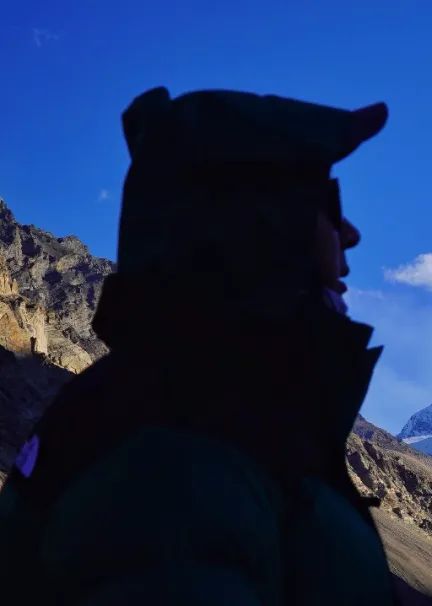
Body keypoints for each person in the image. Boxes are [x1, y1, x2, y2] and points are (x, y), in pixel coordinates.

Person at [0, 87, 395, 605]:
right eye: (328, 202)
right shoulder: (184, 456)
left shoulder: (190, 409)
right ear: (261, 221)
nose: (350, 233)